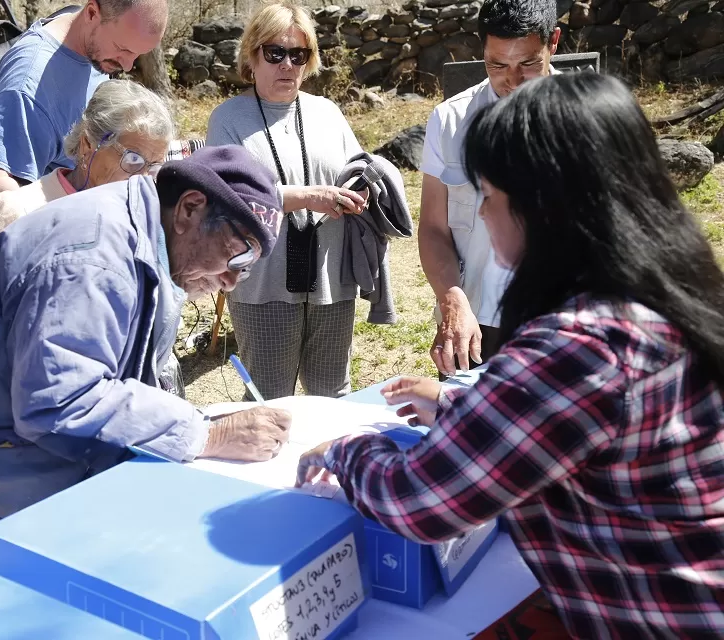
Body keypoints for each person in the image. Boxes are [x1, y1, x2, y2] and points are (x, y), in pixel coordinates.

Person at [297, 74, 724, 638]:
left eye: (490, 197)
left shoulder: (578, 345)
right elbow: (580, 432)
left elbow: (421, 502)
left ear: (543, 207)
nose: (485, 216)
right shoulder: (665, 297)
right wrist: (459, 411)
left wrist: (347, 450)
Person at [0, 146, 292, 565]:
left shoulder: (148, 239)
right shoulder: (93, 257)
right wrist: (205, 435)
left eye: (251, 264)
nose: (235, 279)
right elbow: (59, 397)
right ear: (190, 209)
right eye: (241, 252)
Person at [206, 0, 370, 401]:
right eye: (275, 53)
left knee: (332, 394)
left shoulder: (327, 112)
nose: (287, 65)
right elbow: (225, 195)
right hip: (263, 284)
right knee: (268, 399)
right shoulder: (228, 117)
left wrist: (365, 188)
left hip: (331, 279)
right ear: (252, 54)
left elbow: (358, 166)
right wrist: (309, 197)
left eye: (299, 55)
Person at [419, 0, 560, 378]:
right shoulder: (450, 121)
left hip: (562, 325)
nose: (512, 80)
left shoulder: (591, 116)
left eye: (528, 64)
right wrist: (452, 301)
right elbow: (433, 228)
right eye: (497, 65)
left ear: (554, 43)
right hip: (476, 324)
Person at [0, 79, 173, 287]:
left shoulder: (140, 223)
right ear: (88, 145)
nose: (142, 178)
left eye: (153, 166)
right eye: (133, 159)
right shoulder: (17, 213)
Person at [0, 0, 167, 213]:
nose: (127, 65)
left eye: (137, 55)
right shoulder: (31, 82)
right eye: (122, 49)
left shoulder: (90, 45)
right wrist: (74, 221)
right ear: (91, 13)